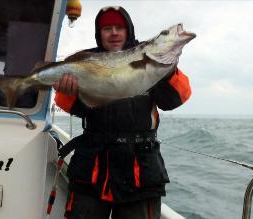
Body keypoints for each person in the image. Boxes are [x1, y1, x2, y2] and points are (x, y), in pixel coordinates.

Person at [53, 6, 191, 219]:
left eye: (119, 27)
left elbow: (175, 99)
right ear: (99, 34)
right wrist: (68, 90)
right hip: (92, 168)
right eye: (107, 28)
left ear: (129, 31)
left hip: (140, 170)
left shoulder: (150, 59)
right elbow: (72, 108)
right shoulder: (85, 60)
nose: (114, 33)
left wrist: (168, 70)